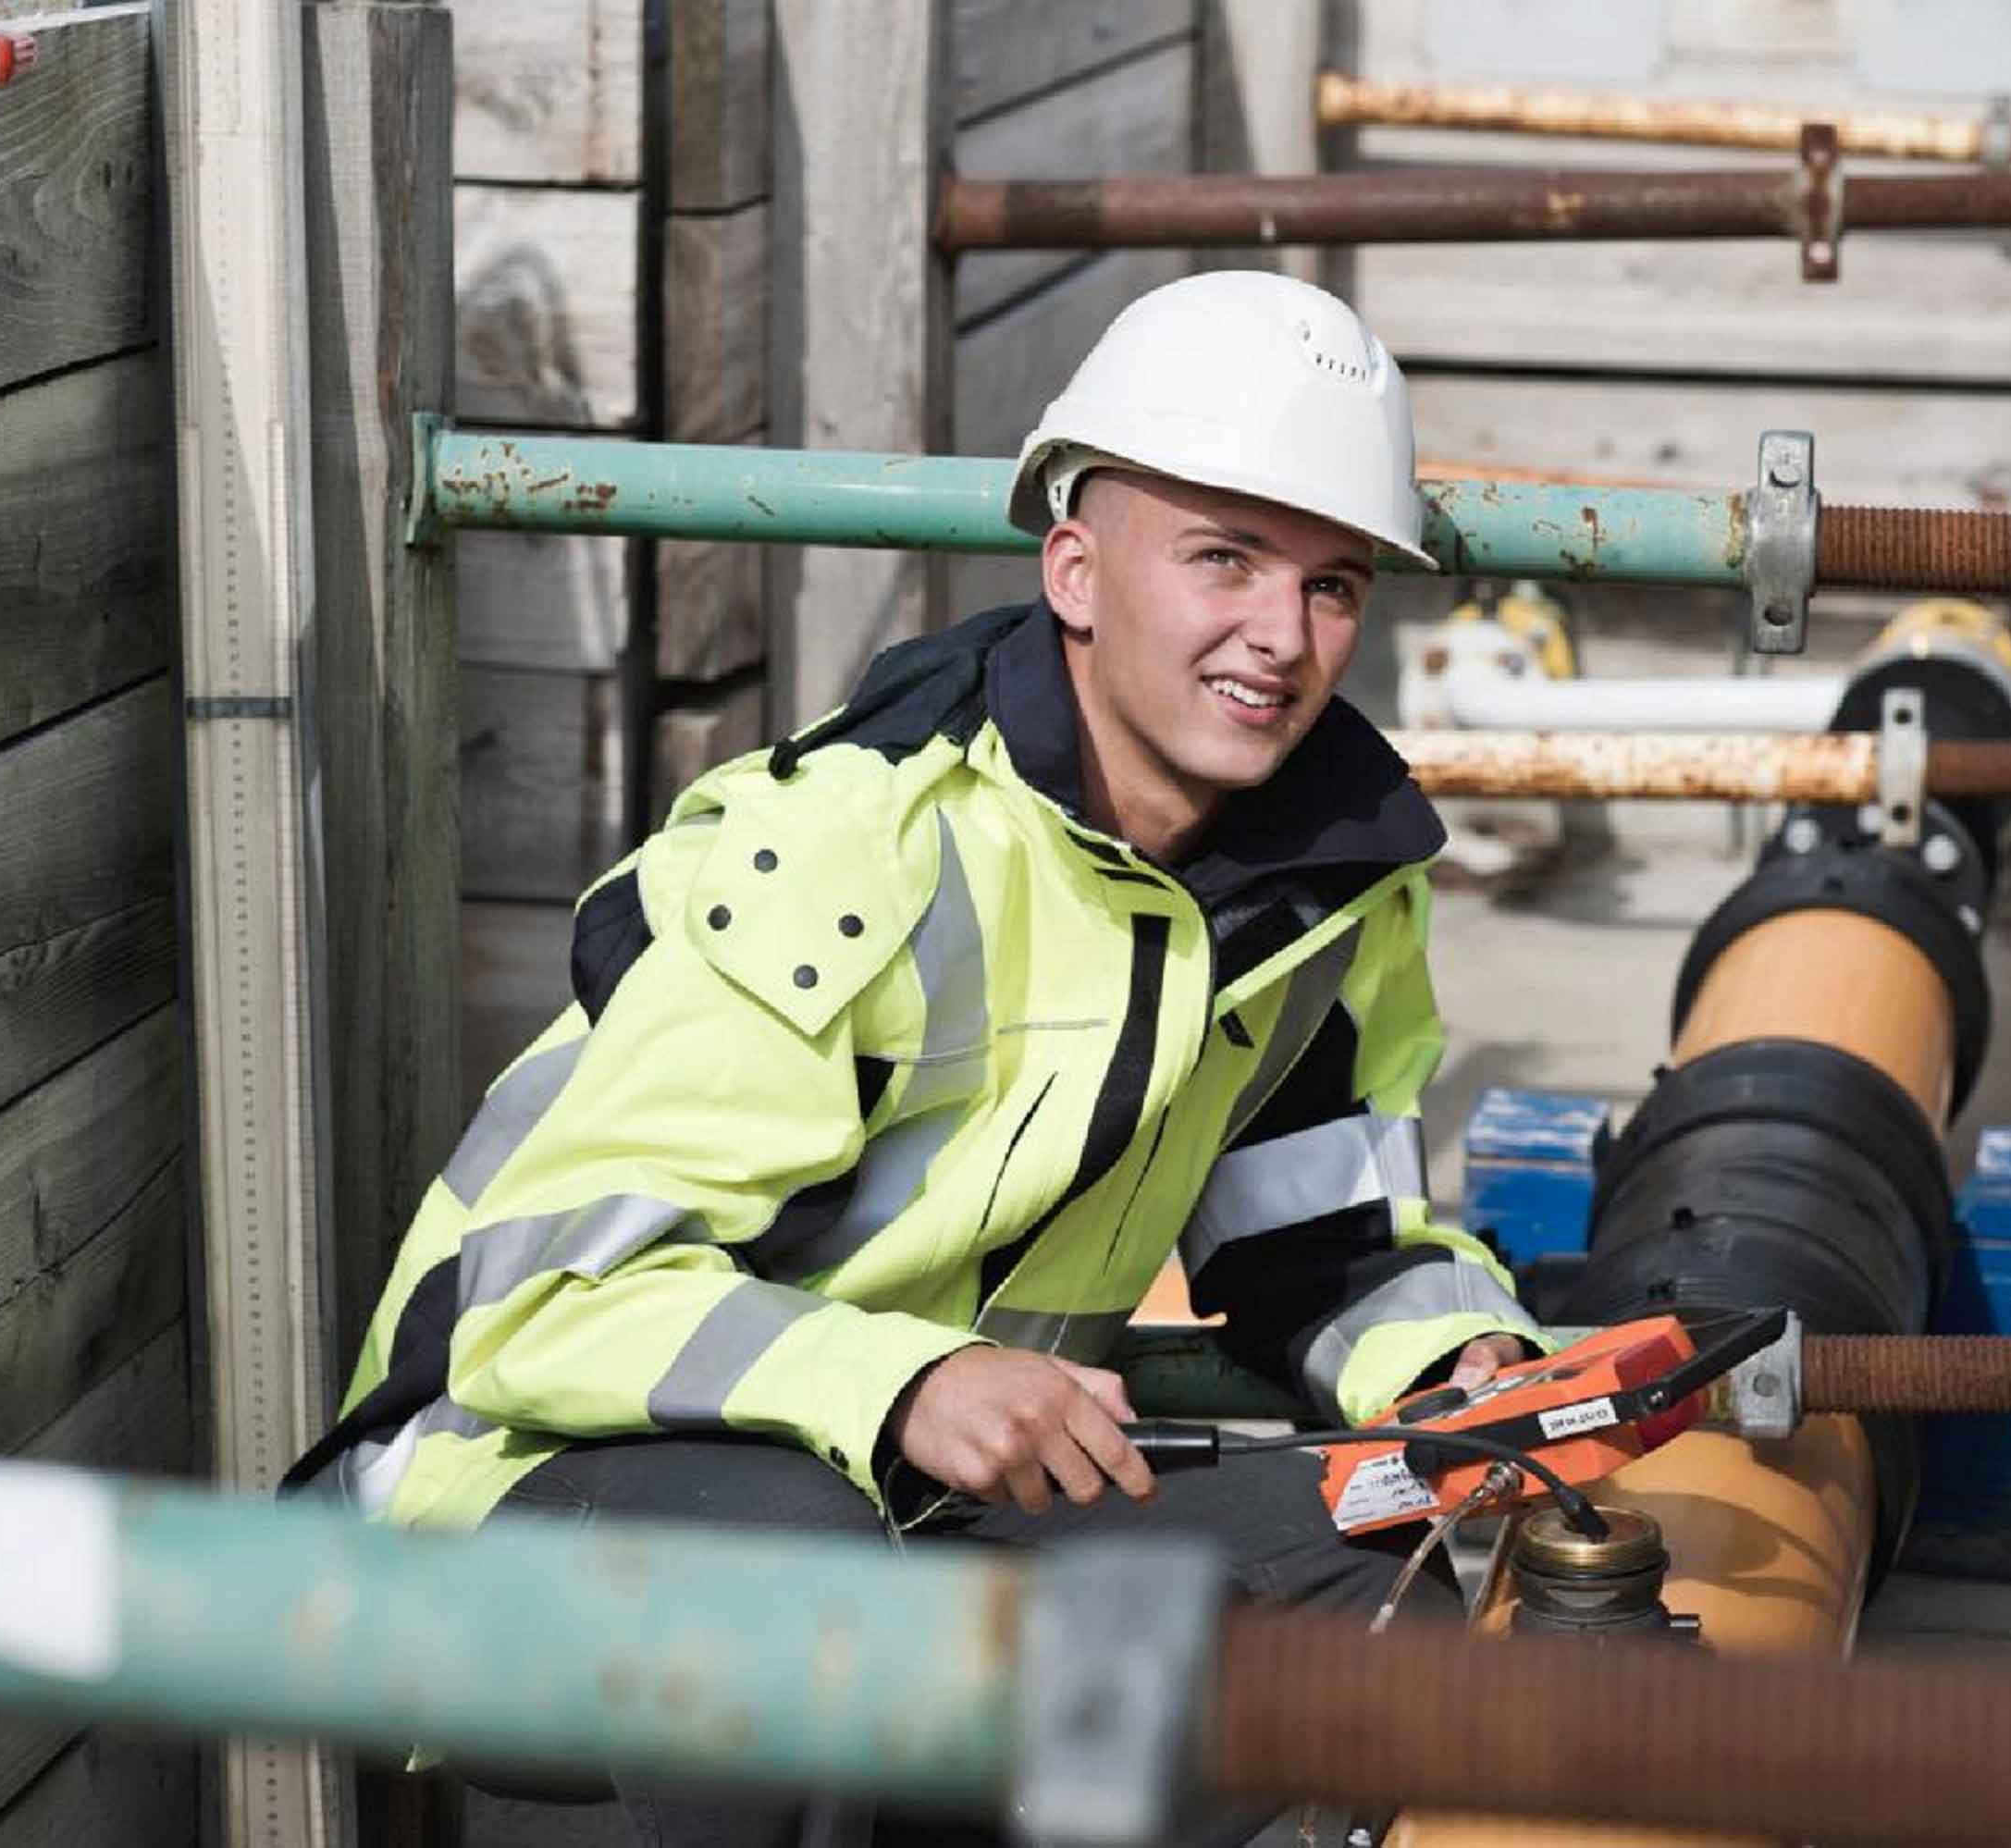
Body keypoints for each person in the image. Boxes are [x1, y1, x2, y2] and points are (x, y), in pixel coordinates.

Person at [288, 270, 1551, 1844]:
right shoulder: (859, 849)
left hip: (917, 1497)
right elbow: (535, 1301)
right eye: (1222, 558)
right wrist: (909, 1377)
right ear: (1075, 571)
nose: (1280, 638)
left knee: (1405, 1545)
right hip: (499, 1512)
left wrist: (1464, 1372)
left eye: (1334, 584)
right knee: (795, 1566)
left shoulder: (1318, 888)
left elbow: (1326, 1235)